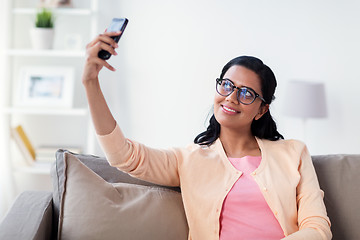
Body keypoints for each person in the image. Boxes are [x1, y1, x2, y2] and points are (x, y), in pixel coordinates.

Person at [82, 31, 332, 240]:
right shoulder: (189, 160)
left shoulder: (294, 153)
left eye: (246, 94)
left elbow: (318, 229)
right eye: (227, 85)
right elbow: (122, 156)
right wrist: (91, 82)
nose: (231, 97)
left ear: (261, 109)